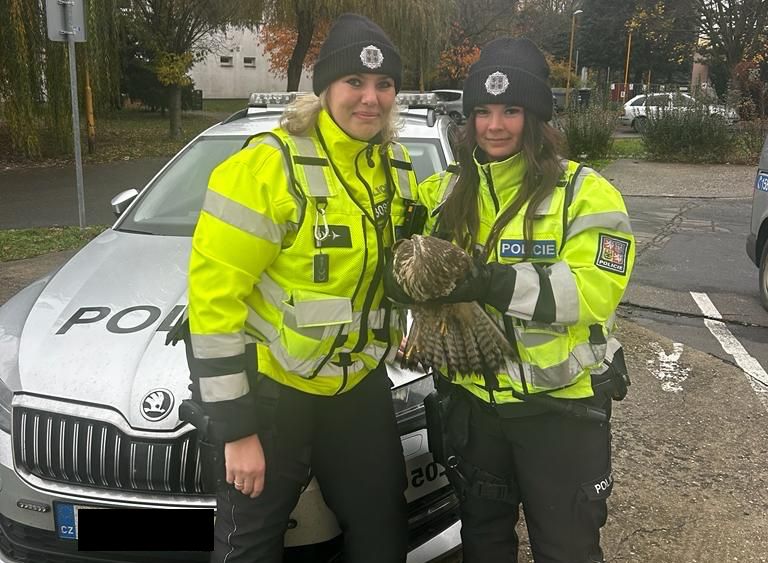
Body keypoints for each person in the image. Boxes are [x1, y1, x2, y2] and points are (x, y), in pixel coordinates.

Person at [388, 37, 635, 562]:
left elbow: (591, 293)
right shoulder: (443, 191)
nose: (494, 126)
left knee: (567, 551)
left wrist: (490, 282)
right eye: (482, 112)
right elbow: (397, 252)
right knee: (483, 543)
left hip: (559, 412)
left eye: (511, 111)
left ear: (537, 118)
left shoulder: (585, 193)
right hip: (473, 410)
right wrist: (401, 275)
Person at [185, 13, 419, 563]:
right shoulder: (266, 167)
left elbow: (401, 273)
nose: (370, 98)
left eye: (384, 84)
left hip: (358, 389)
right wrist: (237, 431)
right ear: (325, 88)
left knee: (383, 536)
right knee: (249, 547)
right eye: (354, 82)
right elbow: (213, 305)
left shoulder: (398, 168)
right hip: (274, 396)